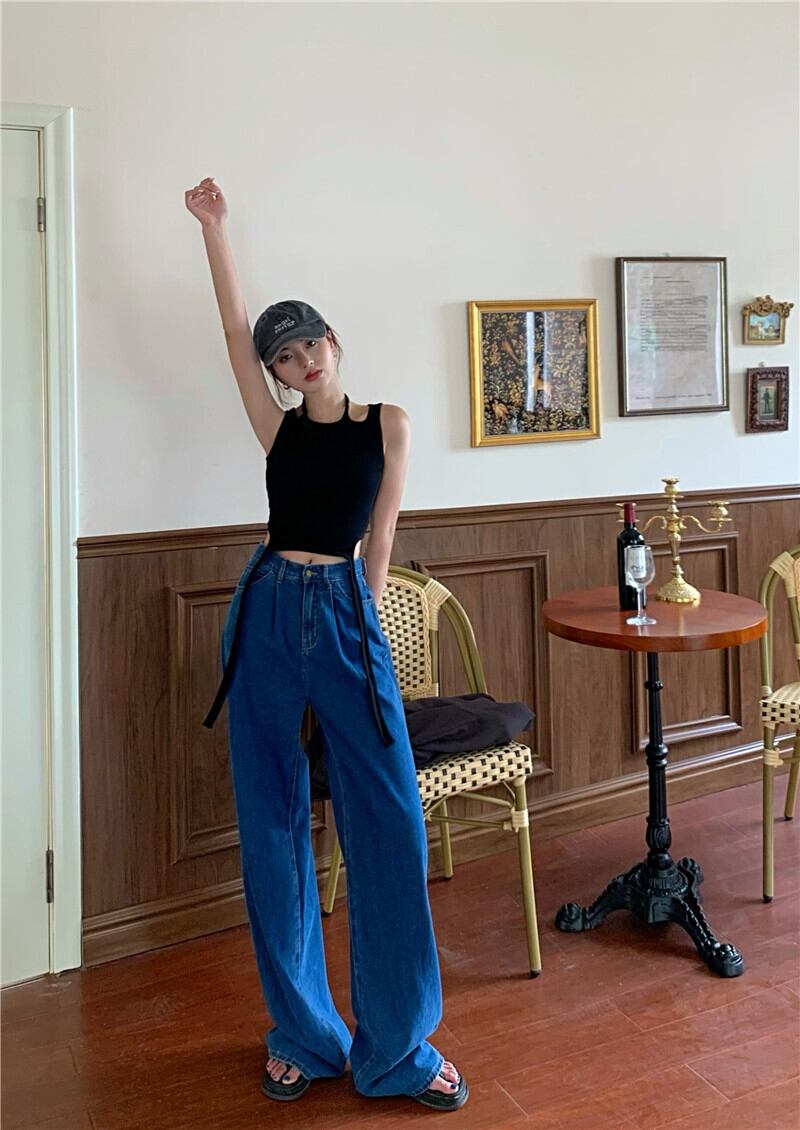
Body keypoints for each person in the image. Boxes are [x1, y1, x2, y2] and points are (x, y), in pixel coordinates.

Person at [184, 177, 468, 1112]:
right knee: (269, 819)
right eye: (283, 354)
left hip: (346, 610)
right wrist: (215, 230)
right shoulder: (275, 430)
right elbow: (232, 330)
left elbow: (380, 537)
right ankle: (305, 1035)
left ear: (334, 344)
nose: (299, 359)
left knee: (386, 815)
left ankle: (398, 1049)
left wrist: (367, 629)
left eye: (309, 343)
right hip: (268, 609)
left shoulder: (388, 424)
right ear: (274, 372)